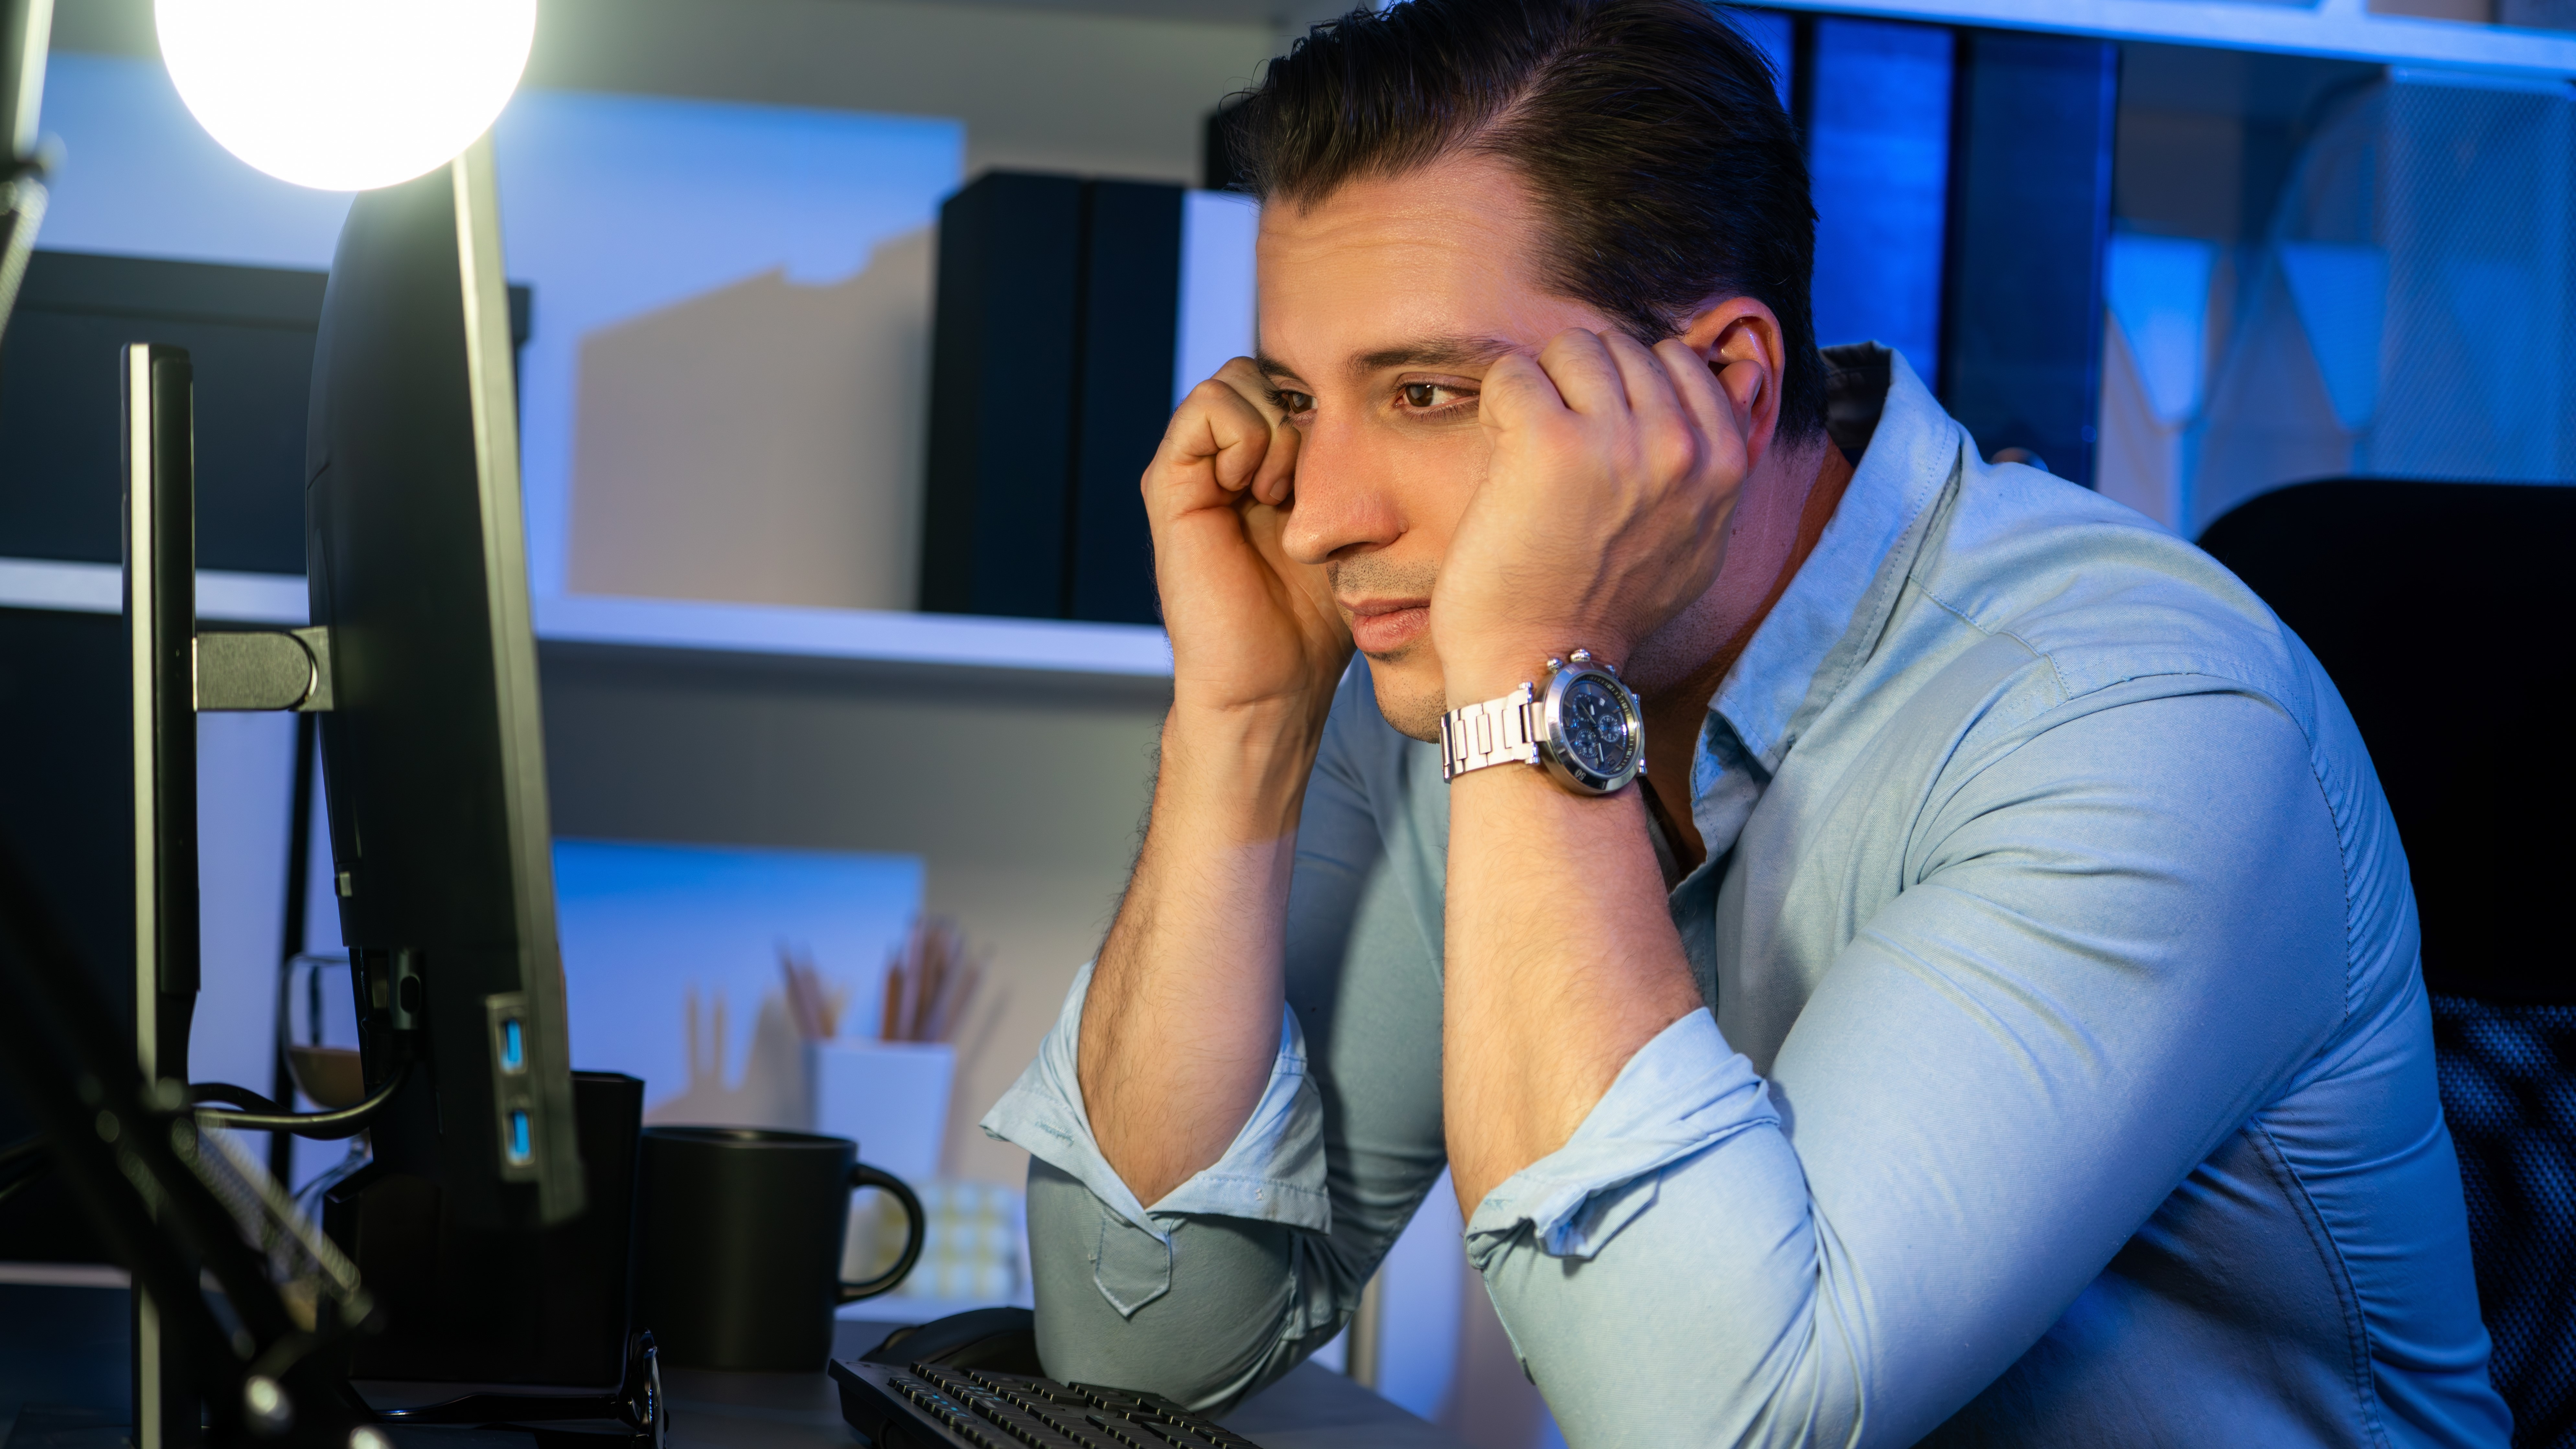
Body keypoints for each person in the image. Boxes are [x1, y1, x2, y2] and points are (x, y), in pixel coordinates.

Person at [981, 2, 2510, 1443]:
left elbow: (1717, 1422)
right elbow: (1141, 1347)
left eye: (1429, 394)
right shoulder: (1474, 672)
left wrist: (1530, 677)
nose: (1314, 519)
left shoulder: (2130, 719)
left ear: (1716, 381)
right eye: (1298, 400)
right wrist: (1239, 726)